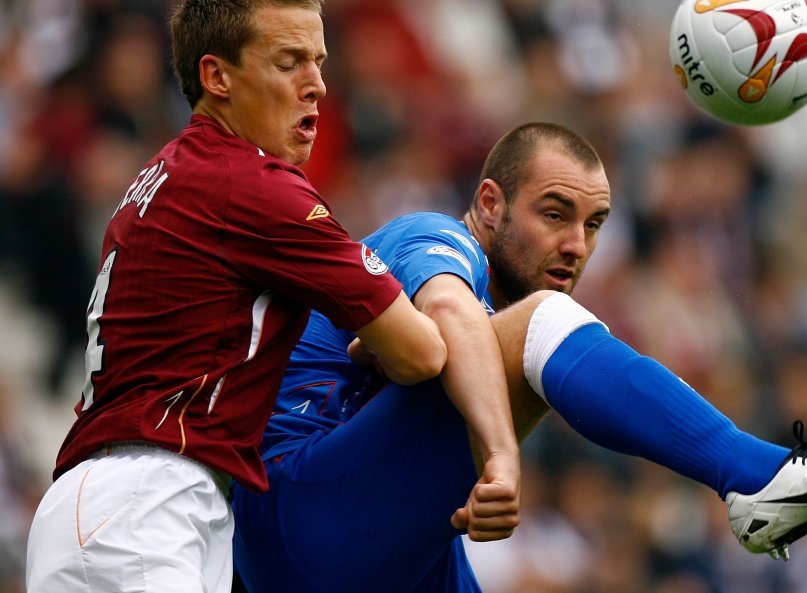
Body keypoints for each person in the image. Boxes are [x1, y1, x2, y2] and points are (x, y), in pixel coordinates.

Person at [230, 123, 807, 592]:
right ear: (489, 203)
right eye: (555, 213)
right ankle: (757, 477)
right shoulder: (433, 234)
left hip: (374, 536)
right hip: (296, 508)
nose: (577, 244)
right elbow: (452, 313)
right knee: (544, 323)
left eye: (594, 223)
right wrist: (501, 455)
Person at [23, 1, 478, 591]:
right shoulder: (252, 185)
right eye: (289, 62)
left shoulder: (173, 171)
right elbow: (422, 354)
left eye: (318, 61)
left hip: (122, 504)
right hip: (145, 506)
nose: (316, 86)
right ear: (217, 77)